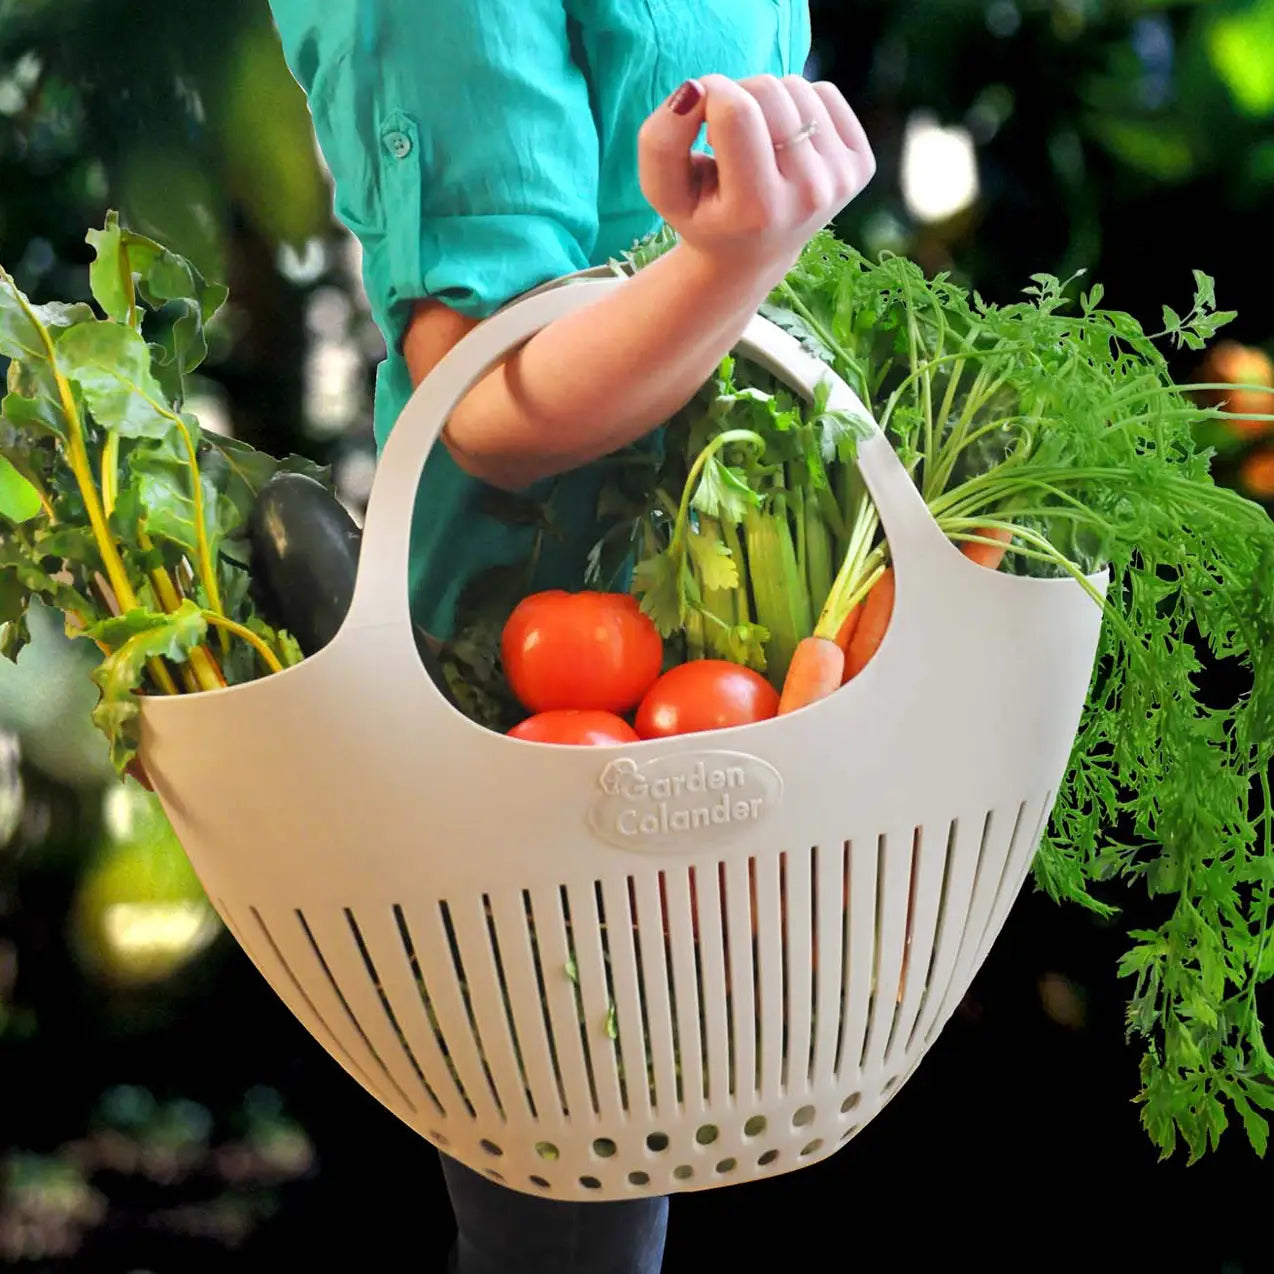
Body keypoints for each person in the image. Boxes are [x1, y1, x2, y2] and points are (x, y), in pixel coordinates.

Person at [265, 3, 875, 1271]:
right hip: (540, 669)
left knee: (669, 1156)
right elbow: (486, 394)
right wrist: (729, 266)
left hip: (718, 644)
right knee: (572, 1205)